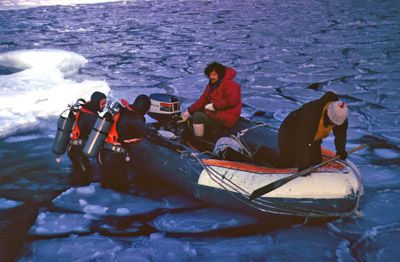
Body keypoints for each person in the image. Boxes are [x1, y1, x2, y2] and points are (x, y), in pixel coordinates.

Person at [98, 94, 184, 193]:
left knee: (106, 188)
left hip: (103, 155)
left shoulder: (123, 111)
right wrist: (174, 146)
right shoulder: (134, 120)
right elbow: (151, 136)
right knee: (122, 190)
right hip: (114, 158)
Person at [277, 91, 348, 172]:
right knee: (287, 163)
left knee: (316, 162)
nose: (334, 126)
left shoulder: (340, 114)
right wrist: (303, 166)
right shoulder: (311, 114)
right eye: (332, 123)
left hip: (313, 138)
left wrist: (341, 150)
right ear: (327, 113)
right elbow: (302, 141)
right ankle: (265, 154)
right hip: (290, 132)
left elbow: (341, 135)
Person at [179, 62, 241, 139]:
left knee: (198, 116)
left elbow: (231, 100)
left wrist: (214, 106)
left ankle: (199, 140)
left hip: (228, 117)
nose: (211, 77)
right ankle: (209, 135)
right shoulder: (212, 84)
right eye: (210, 75)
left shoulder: (230, 84)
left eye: (214, 74)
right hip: (219, 114)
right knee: (198, 111)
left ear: (220, 74)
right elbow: (202, 100)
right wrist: (188, 112)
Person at [68, 91, 107, 186]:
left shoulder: (87, 109)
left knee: (81, 173)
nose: (104, 106)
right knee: (84, 176)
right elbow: (97, 135)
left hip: (76, 149)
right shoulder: (90, 116)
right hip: (77, 150)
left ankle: (74, 187)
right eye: (102, 104)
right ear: (96, 103)